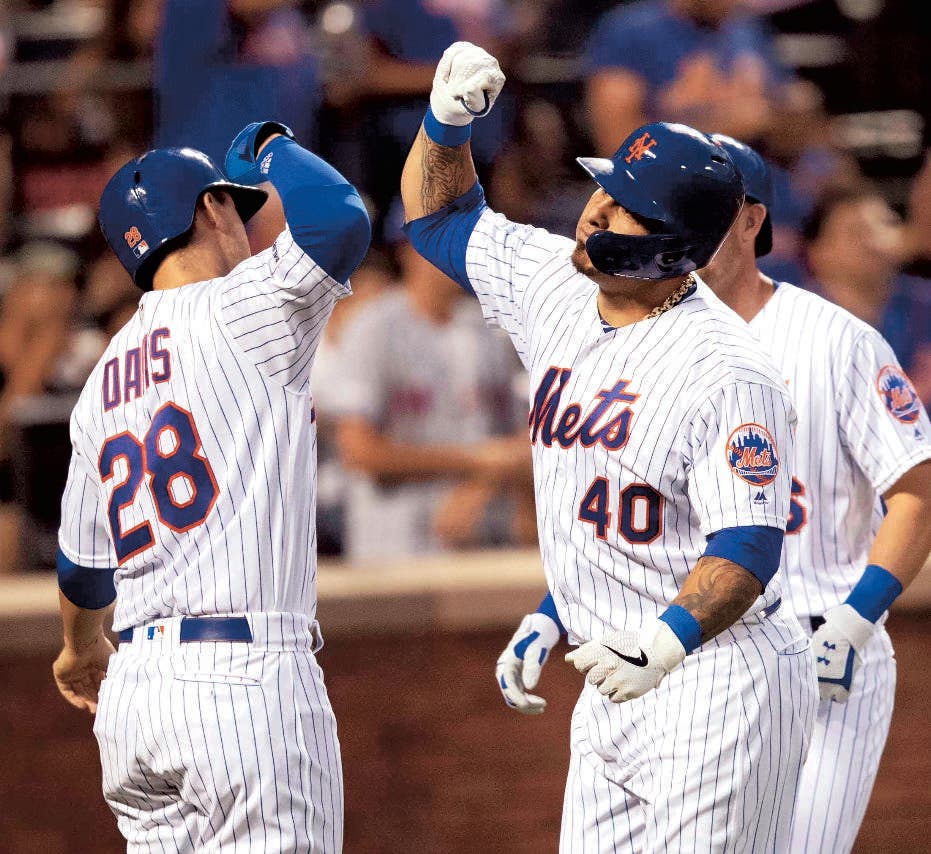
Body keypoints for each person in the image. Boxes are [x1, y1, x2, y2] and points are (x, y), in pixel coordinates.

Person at [401, 41, 816, 851]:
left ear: (672, 245)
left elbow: (745, 544)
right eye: (600, 185)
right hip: (612, 670)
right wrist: (446, 127)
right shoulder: (555, 281)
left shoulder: (725, 370)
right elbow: (438, 219)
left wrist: (657, 644)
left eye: (621, 203)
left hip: (713, 677)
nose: (592, 210)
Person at [498, 134, 931, 854]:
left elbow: (915, 490)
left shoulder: (833, 340)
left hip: (821, 635)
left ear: (749, 219)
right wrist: (552, 612)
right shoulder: (641, 338)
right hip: (693, 648)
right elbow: (646, 514)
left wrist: (857, 620)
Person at [50, 121, 370, 851]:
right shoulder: (245, 305)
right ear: (210, 210)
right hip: (245, 681)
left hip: (135, 700)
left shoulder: (102, 379)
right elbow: (341, 219)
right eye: (235, 208)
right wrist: (269, 146)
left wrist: (78, 646)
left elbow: (82, 566)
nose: (248, 229)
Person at [323, 229, 533, 562]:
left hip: (484, 547)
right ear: (407, 249)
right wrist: (477, 460)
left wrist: (482, 479)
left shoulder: (491, 330)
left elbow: (526, 444)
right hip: (393, 553)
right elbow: (358, 451)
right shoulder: (374, 326)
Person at [801, 182, 931, 406]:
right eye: (856, 232)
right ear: (817, 252)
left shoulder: (923, 303)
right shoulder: (796, 325)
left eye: (885, 225)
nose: (874, 242)